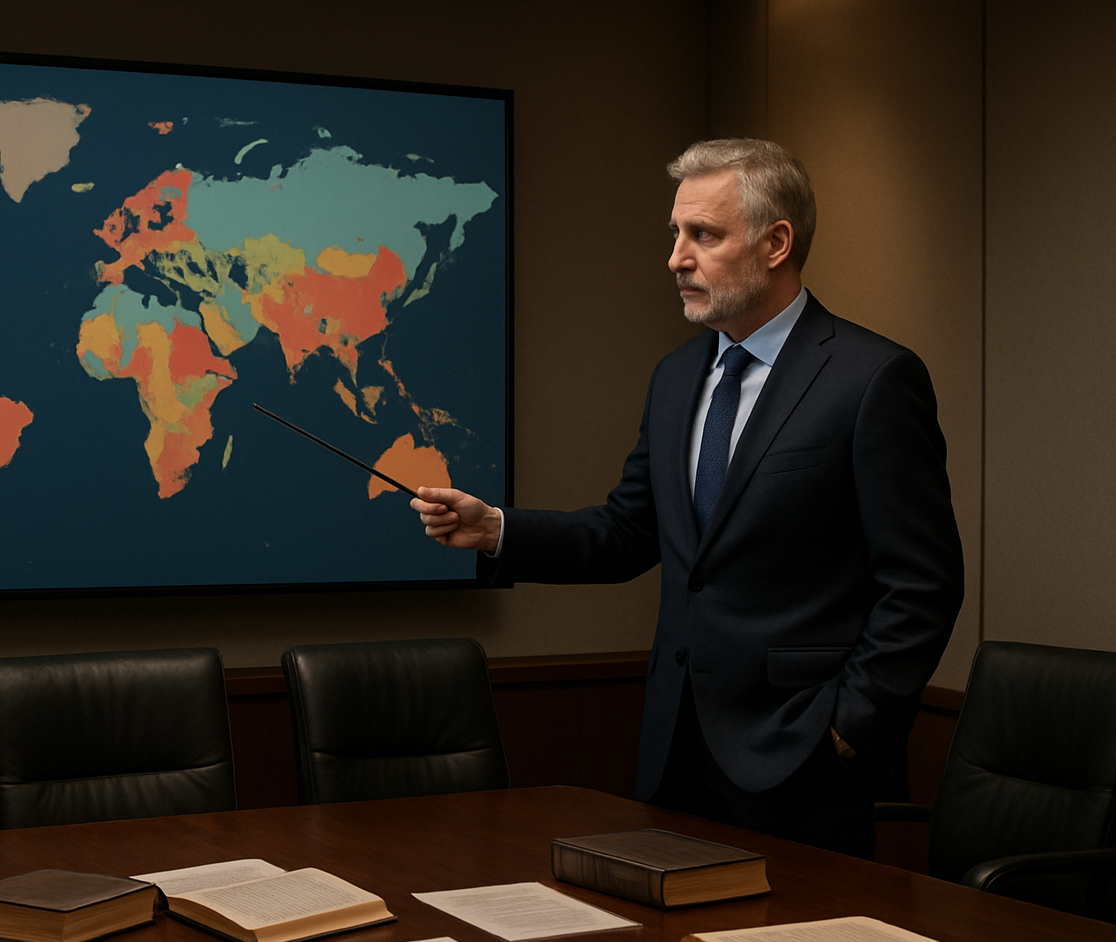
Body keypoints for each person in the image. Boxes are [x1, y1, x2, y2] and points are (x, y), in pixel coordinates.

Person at [411, 139, 963, 857]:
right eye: (676, 234)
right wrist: (495, 531)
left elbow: (922, 584)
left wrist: (849, 725)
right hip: (675, 750)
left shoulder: (872, 379)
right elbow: (627, 532)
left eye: (702, 234)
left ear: (776, 243)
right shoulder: (676, 377)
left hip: (803, 758)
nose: (675, 257)